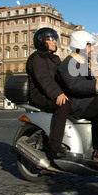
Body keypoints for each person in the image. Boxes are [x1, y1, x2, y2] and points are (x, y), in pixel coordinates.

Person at [57, 31, 98, 165]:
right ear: (80, 45)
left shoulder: (82, 63)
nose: (91, 49)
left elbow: (93, 87)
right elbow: (75, 86)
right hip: (77, 103)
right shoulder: (67, 64)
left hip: (87, 100)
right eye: (89, 45)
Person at [26, 27, 70, 155]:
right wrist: (57, 93)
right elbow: (44, 79)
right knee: (63, 104)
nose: (55, 41)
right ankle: (54, 144)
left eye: (55, 39)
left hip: (51, 92)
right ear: (42, 41)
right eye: (51, 39)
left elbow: (64, 76)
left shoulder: (55, 59)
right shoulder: (37, 58)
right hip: (40, 94)